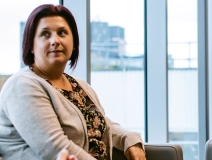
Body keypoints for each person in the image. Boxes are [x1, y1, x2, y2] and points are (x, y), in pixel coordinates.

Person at [0, 4, 146, 160]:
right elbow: (56, 147)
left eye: (62, 33)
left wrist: (130, 139)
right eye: (45, 34)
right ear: (31, 46)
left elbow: (103, 125)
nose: (55, 40)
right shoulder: (22, 85)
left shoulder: (80, 85)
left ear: (74, 43)